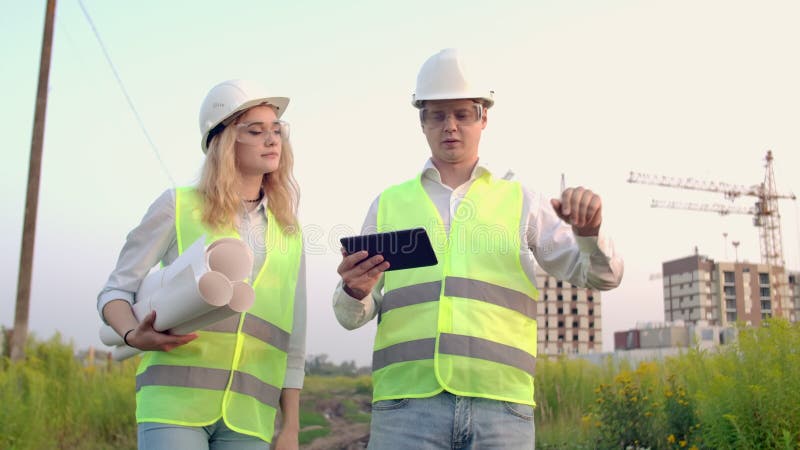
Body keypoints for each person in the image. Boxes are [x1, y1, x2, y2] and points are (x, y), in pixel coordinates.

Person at [332, 48, 624, 449]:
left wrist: (589, 233)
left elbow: (602, 277)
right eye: (437, 115)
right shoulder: (388, 204)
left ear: (483, 117)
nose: (450, 126)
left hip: (501, 408)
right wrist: (355, 291)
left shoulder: (523, 202)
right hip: (405, 408)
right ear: (422, 121)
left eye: (462, 114)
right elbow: (351, 316)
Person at [98, 79, 306, 450]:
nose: (272, 140)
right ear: (223, 141)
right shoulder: (177, 206)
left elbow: (294, 338)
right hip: (172, 407)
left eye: (277, 130)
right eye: (255, 131)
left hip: (250, 415)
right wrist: (132, 334)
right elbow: (116, 290)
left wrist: (290, 426)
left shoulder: (289, 233)